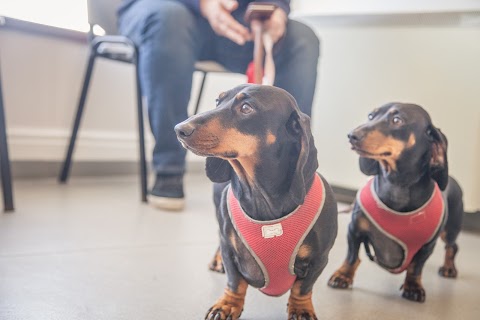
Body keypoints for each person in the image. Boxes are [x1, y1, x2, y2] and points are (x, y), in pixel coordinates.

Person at [117, 0, 320, 211]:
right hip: (162, 10)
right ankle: (168, 169)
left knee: (301, 37)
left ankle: (291, 179)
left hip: (238, 21)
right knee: (169, 18)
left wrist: (276, 8)